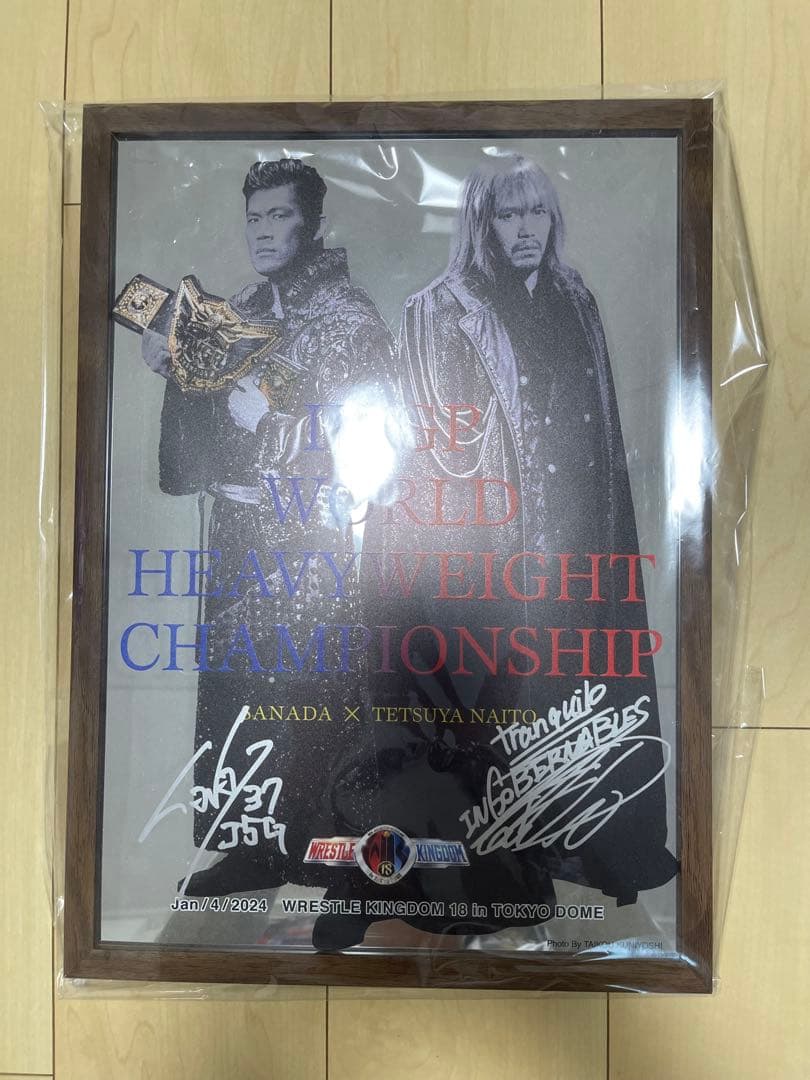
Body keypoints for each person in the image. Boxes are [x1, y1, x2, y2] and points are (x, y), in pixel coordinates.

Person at [317, 154, 677, 949]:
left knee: (566, 700)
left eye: (535, 213)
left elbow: (596, 434)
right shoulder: (437, 309)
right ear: (480, 224)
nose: (524, 229)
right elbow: (433, 461)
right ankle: (488, 881)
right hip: (485, 556)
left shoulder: (573, 297)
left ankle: (576, 856)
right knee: (488, 716)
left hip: (568, 545)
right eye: (508, 215)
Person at [142, 158, 396, 897]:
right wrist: (172, 366)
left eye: (279, 216)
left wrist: (278, 420)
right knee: (235, 682)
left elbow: (375, 436)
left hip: (308, 529)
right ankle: (247, 846)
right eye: (254, 217)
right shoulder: (245, 305)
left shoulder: (349, 317)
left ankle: (327, 852)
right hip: (236, 520)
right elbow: (210, 422)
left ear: (313, 223)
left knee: (310, 685)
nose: (262, 231)